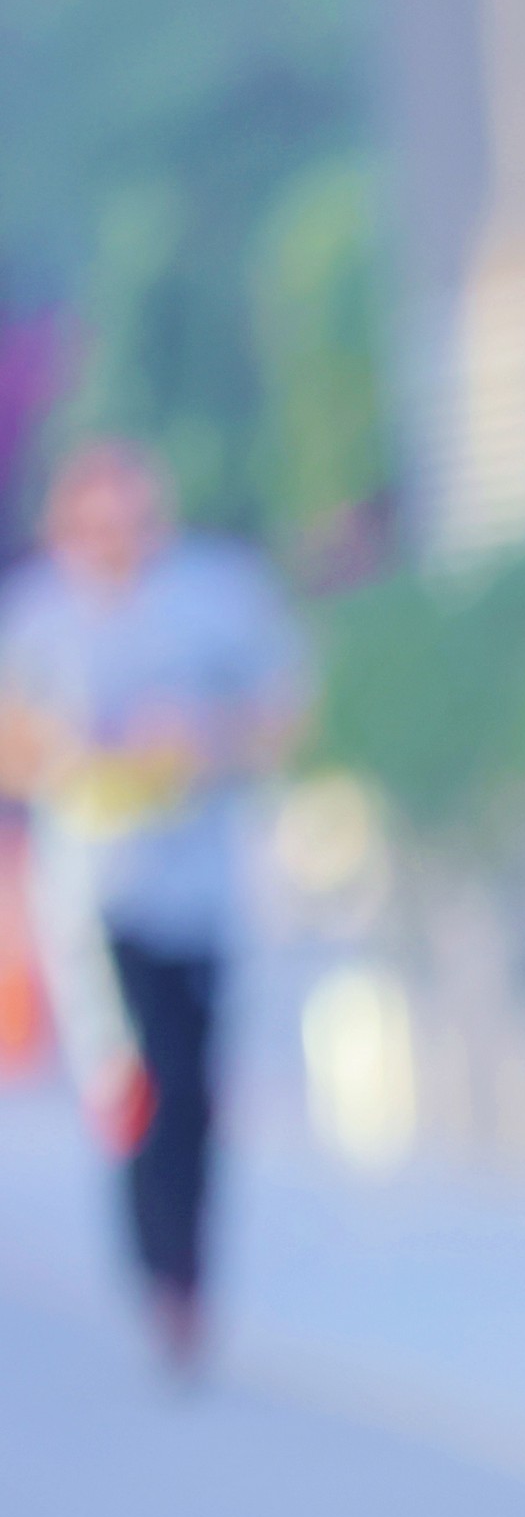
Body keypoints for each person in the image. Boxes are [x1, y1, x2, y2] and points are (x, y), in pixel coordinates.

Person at [0, 439, 307, 1378]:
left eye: (130, 524)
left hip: (202, 886)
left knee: (197, 1088)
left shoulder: (216, 600)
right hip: (94, 890)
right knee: (139, 1078)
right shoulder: (38, 617)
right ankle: (156, 1268)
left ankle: (190, 1271)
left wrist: (199, 738)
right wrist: (71, 749)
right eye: (95, 527)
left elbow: (281, 716)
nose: (115, 544)